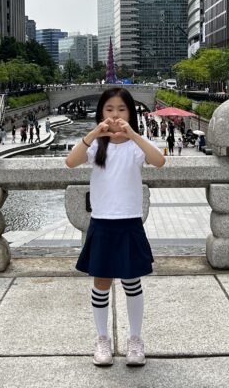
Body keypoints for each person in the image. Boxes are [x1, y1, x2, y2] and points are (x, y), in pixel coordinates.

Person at [65, 88, 165, 367]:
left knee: (132, 281)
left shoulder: (135, 145)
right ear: (101, 113)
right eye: (109, 109)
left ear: (130, 113)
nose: (115, 115)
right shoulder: (96, 145)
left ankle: (135, 339)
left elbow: (159, 161)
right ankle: (102, 339)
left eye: (121, 109)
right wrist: (93, 134)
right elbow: (71, 162)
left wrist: (133, 134)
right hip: (102, 221)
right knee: (101, 282)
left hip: (129, 221)